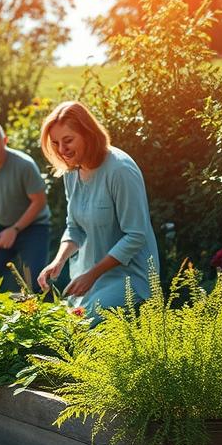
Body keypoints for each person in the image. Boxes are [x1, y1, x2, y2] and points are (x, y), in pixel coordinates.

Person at [36, 101, 159, 313]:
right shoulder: (71, 172)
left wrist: (93, 275)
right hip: (87, 276)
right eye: (55, 143)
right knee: (63, 327)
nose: (62, 150)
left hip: (130, 277)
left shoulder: (120, 169)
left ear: (88, 134)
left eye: (68, 141)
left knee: (83, 326)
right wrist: (58, 261)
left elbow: (135, 235)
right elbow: (74, 227)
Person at [0, 121, 51, 291]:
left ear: (4, 140)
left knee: (36, 286)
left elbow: (39, 201)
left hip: (34, 227)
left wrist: (15, 229)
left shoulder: (24, 165)